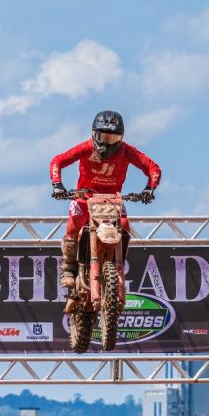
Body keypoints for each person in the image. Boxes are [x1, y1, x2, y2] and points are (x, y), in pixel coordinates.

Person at [49, 110, 161, 288]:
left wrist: (149, 188)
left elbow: (153, 168)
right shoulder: (86, 147)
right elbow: (58, 160)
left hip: (113, 200)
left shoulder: (127, 151)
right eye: (102, 137)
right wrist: (57, 184)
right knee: (73, 225)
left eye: (112, 139)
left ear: (121, 138)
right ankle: (68, 268)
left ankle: (118, 264)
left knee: (124, 226)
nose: (106, 144)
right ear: (94, 134)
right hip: (85, 197)